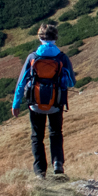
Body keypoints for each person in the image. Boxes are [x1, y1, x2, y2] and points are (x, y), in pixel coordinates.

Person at [12, 23, 76, 177]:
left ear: (40, 37)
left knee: (37, 136)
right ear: (56, 38)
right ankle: (57, 164)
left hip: (35, 103)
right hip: (56, 103)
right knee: (55, 133)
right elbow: (71, 82)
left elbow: (21, 83)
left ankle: (40, 171)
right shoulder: (62, 58)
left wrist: (16, 103)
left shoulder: (33, 57)